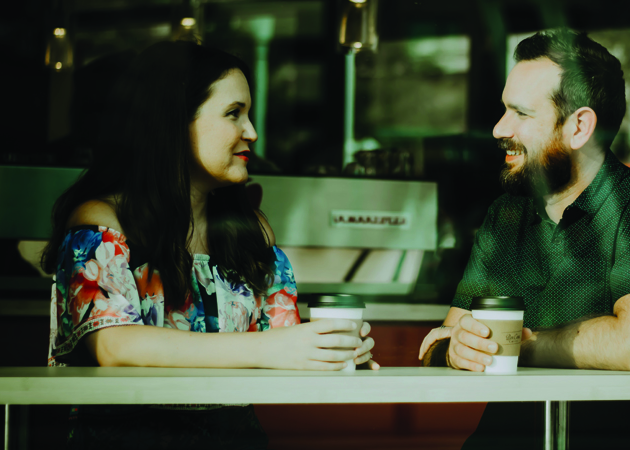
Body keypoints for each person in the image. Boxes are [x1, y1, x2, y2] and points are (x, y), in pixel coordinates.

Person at [41, 40, 378, 449]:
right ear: (171, 122)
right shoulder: (102, 223)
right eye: (234, 114)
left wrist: (331, 350)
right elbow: (114, 344)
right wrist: (274, 348)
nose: (251, 133)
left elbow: (278, 342)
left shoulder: (250, 232)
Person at [417, 28, 630, 447]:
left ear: (579, 127)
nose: (498, 128)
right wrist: (453, 351)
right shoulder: (505, 214)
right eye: (503, 109)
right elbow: (445, 338)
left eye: (521, 114)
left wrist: (516, 347)